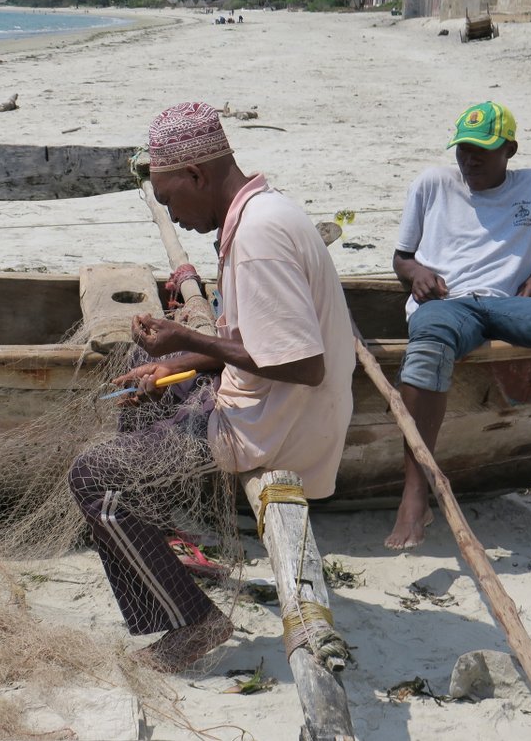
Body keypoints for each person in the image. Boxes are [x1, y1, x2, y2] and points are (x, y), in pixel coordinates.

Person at [68, 101, 355, 671]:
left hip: (278, 424)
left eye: (170, 199)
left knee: (92, 477)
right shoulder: (260, 213)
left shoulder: (259, 239)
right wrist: (176, 357)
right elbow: (260, 345)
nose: (172, 216)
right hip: (271, 400)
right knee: (141, 375)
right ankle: (168, 542)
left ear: (197, 176)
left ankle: (192, 622)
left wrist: (186, 339)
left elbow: (302, 365)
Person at [384, 101, 531, 550]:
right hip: (447, 304)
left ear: (509, 149)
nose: (469, 160)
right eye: (463, 150)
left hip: (510, 306)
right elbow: (401, 258)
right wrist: (417, 275)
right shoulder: (433, 184)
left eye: (482, 152)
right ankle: (415, 493)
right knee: (428, 347)